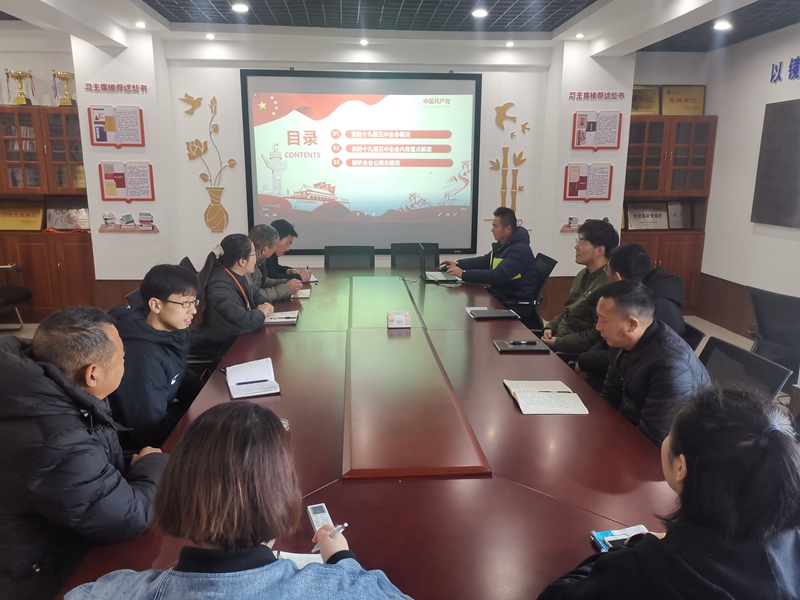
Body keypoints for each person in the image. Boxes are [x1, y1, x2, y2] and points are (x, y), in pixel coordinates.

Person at [65, 402, 412, 600]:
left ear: (177, 487)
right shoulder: (341, 589)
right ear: (281, 494)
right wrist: (342, 559)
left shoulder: (112, 592)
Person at [538, 386, 800, 599]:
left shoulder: (643, 570)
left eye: (669, 436)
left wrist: (627, 550)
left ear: (681, 467)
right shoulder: (789, 543)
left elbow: (557, 594)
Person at [0, 306, 168, 600]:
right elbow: (127, 518)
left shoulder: (38, 378)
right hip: (39, 572)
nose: (125, 363)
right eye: (122, 359)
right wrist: (154, 463)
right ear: (92, 374)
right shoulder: (60, 440)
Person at [596, 280, 710, 445]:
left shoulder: (671, 366)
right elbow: (610, 394)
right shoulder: (622, 341)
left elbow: (654, 440)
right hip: (628, 426)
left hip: (666, 449)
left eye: (603, 320)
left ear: (631, 324)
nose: (598, 327)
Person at [108, 264, 204, 450]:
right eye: (185, 304)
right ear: (156, 305)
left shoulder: (173, 331)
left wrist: (211, 402)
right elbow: (149, 429)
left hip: (163, 413)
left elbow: (181, 374)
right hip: (143, 441)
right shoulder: (142, 356)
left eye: (194, 302)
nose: (193, 311)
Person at [576, 242, 686, 391]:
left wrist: (585, 361)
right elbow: (609, 344)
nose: (599, 326)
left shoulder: (654, 311)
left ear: (618, 278)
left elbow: (632, 358)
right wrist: (586, 359)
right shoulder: (636, 298)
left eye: (607, 270)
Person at [441, 207, 538, 319]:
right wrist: (458, 264)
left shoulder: (519, 251)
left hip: (514, 306)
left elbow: (498, 275)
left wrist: (463, 274)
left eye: (495, 226)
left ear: (508, 229)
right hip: (501, 298)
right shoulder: (504, 246)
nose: (492, 230)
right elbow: (484, 261)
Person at [189, 234, 275, 361]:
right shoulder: (219, 285)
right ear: (242, 261)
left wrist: (265, 304)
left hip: (233, 341)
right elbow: (242, 321)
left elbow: (254, 293)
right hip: (217, 348)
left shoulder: (234, 274)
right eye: (254, 254)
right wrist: (261, 313)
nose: (256, 259)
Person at [542, 219, 619, 354]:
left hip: (574, 353)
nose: (576, 247)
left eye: (582, 242)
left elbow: (597, 335)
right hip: (559, 342)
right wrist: (550, 327)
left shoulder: (607, 284)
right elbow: (568, 310)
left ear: (600, 250)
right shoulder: (583, 274)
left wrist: (558, 342)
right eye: (578, 241)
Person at [247, 223, 304, 301]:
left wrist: (287, 282)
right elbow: (254, 295)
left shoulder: (258, 260)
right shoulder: (245, 264)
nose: (275, 247)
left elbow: (263, 281)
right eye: (275, 244)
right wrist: (286, 288)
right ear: (265, 250)